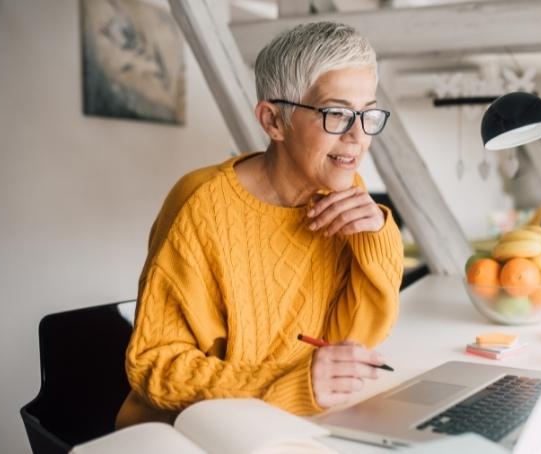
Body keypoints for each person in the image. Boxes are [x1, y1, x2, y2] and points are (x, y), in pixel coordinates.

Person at [116, 21, 404, 429]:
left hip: (283, 422)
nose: (358, 136)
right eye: (336, 113)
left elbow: (353, 342)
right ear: (272, 121)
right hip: (185, 431)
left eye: (368, 113)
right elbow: (155, 367)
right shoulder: (201, 204)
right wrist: (284, 383)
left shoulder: (339, 194)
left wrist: (378, 236)